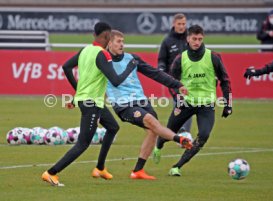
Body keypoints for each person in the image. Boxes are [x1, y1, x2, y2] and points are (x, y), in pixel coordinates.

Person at [41, 22, 137, 186]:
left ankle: (99, 168)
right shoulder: (102, 54)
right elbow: (115, 81)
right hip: (91, 103)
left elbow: (66, 67)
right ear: (107, 36)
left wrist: (78, 92)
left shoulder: (85, 50)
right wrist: (130, 68)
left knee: (113, 127)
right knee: (83, 143)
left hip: (92, 101)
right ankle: (51, 173)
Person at [106, 30, 193, 180]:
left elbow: (155, 73)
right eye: (118, 41)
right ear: (109, 43)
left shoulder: (132, 58)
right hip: (123, 105)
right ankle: (179, 139)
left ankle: (138, 171)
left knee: (152, 130)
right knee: (152, 122)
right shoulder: (103, 61)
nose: (122, 44)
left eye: (123, 41)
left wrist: (177, 84)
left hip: (141, 100)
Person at [153, 25, 232, 176]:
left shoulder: (213, 57)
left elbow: (225, 80)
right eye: (194, 39)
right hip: (186, 103)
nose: (197, 42)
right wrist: (178, 98)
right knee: (169, 133)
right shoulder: (180, 59)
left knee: (203, 135)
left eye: (200, 39)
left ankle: (177, 167)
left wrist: (228, 104)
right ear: (188, 39)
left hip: (206, 105)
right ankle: (158, 146)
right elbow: (172, 82)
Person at [158, 13, 192, 133]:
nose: (182, 26)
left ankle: (182, 132)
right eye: (179, 24)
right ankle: (182, 131)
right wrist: (161, 69)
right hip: (173, 79)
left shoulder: (191, 39)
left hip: (190, 78)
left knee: (186, 103)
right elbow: (162, 59)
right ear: (174, 24)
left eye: (183, 24)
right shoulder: (167, 41)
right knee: (181, 102)